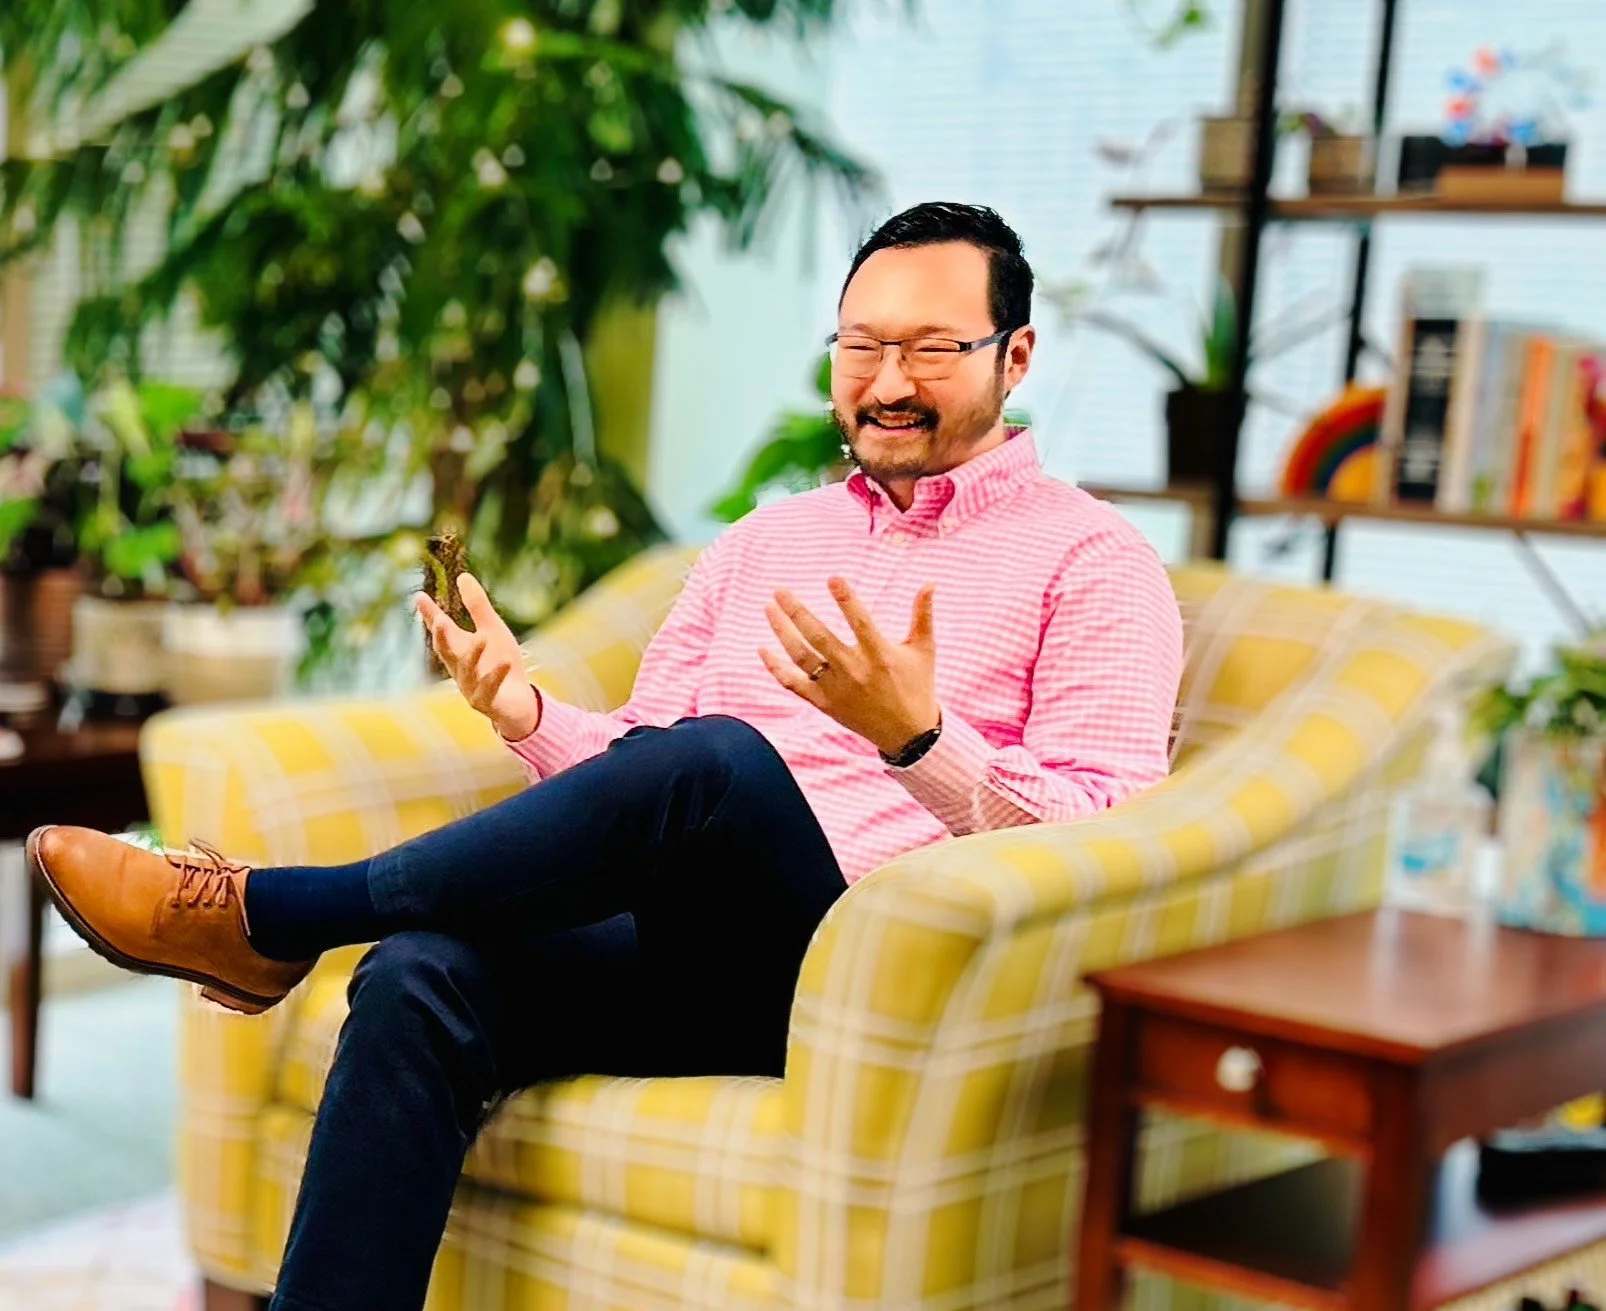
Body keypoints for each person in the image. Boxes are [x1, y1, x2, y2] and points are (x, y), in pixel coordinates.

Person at [28, 201, 1184, 1311]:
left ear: (1013, 356)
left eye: (932, 349)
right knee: (419, 975)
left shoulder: (1094, 564)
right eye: (862, 346)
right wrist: (529, 714)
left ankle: (273, 916)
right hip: (689, 954)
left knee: (717, 760)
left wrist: (917, 742)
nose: (886, 383)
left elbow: (1100, 839)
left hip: (860, 975)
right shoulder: (763, 542)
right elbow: (641, 772)